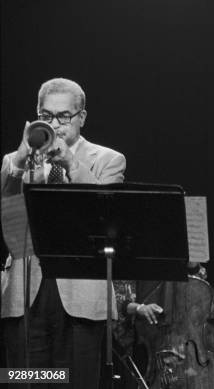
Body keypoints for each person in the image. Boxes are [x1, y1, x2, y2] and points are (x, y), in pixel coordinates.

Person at [1, 78, 126, 388]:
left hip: (81, 294)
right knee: (24, 382)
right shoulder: (15, 163)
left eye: (64, 116)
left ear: (81, 117)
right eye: (47, 115)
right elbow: (7, 213)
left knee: (75, 384)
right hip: (26, 293)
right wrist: (19, 162)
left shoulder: (108, 160)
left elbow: (105, 214)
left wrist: (70, 162)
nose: (55, 124)